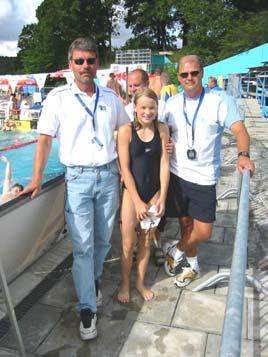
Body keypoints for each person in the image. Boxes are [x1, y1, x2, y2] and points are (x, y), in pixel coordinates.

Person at [20, 37, 129, 341]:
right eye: (79, 61)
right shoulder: (58, 98)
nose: (85, 66)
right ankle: (86, 309)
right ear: (70, 65)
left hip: (108, 177)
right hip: (78, 179)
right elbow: (44, 138)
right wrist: (36, 178)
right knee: (82, 246)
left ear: (97, 63)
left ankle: (92, 283)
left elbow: (124, 127)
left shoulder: (110, 97)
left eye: (90, 60)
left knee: (102, 242)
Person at [163, 55, 255, 287]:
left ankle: (177, 250)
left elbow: (240, 131)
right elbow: (160, 131)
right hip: (177, 174)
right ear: (179, 77)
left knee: (203, 231)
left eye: (194, 73)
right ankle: (192, 266)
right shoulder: (172, 103)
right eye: (184, 74)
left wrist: (243, 155)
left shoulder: (219, 99)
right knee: (186, 226)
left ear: (202, 73)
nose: (189, 77)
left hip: (204, 178)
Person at [117, 88, 170, 303]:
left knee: (146, 242)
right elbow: (125, 169)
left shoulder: (163, 129)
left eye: (152, 107)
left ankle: (139, 282)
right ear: (135, 109)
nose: (147, 112)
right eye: (143, 108)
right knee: (128, 244)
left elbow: (165, 164)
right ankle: (125, 283)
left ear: (157, 109)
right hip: (132, 195)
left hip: (154, 193)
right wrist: (138, 201)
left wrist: (162, 197)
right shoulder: (125, 131)